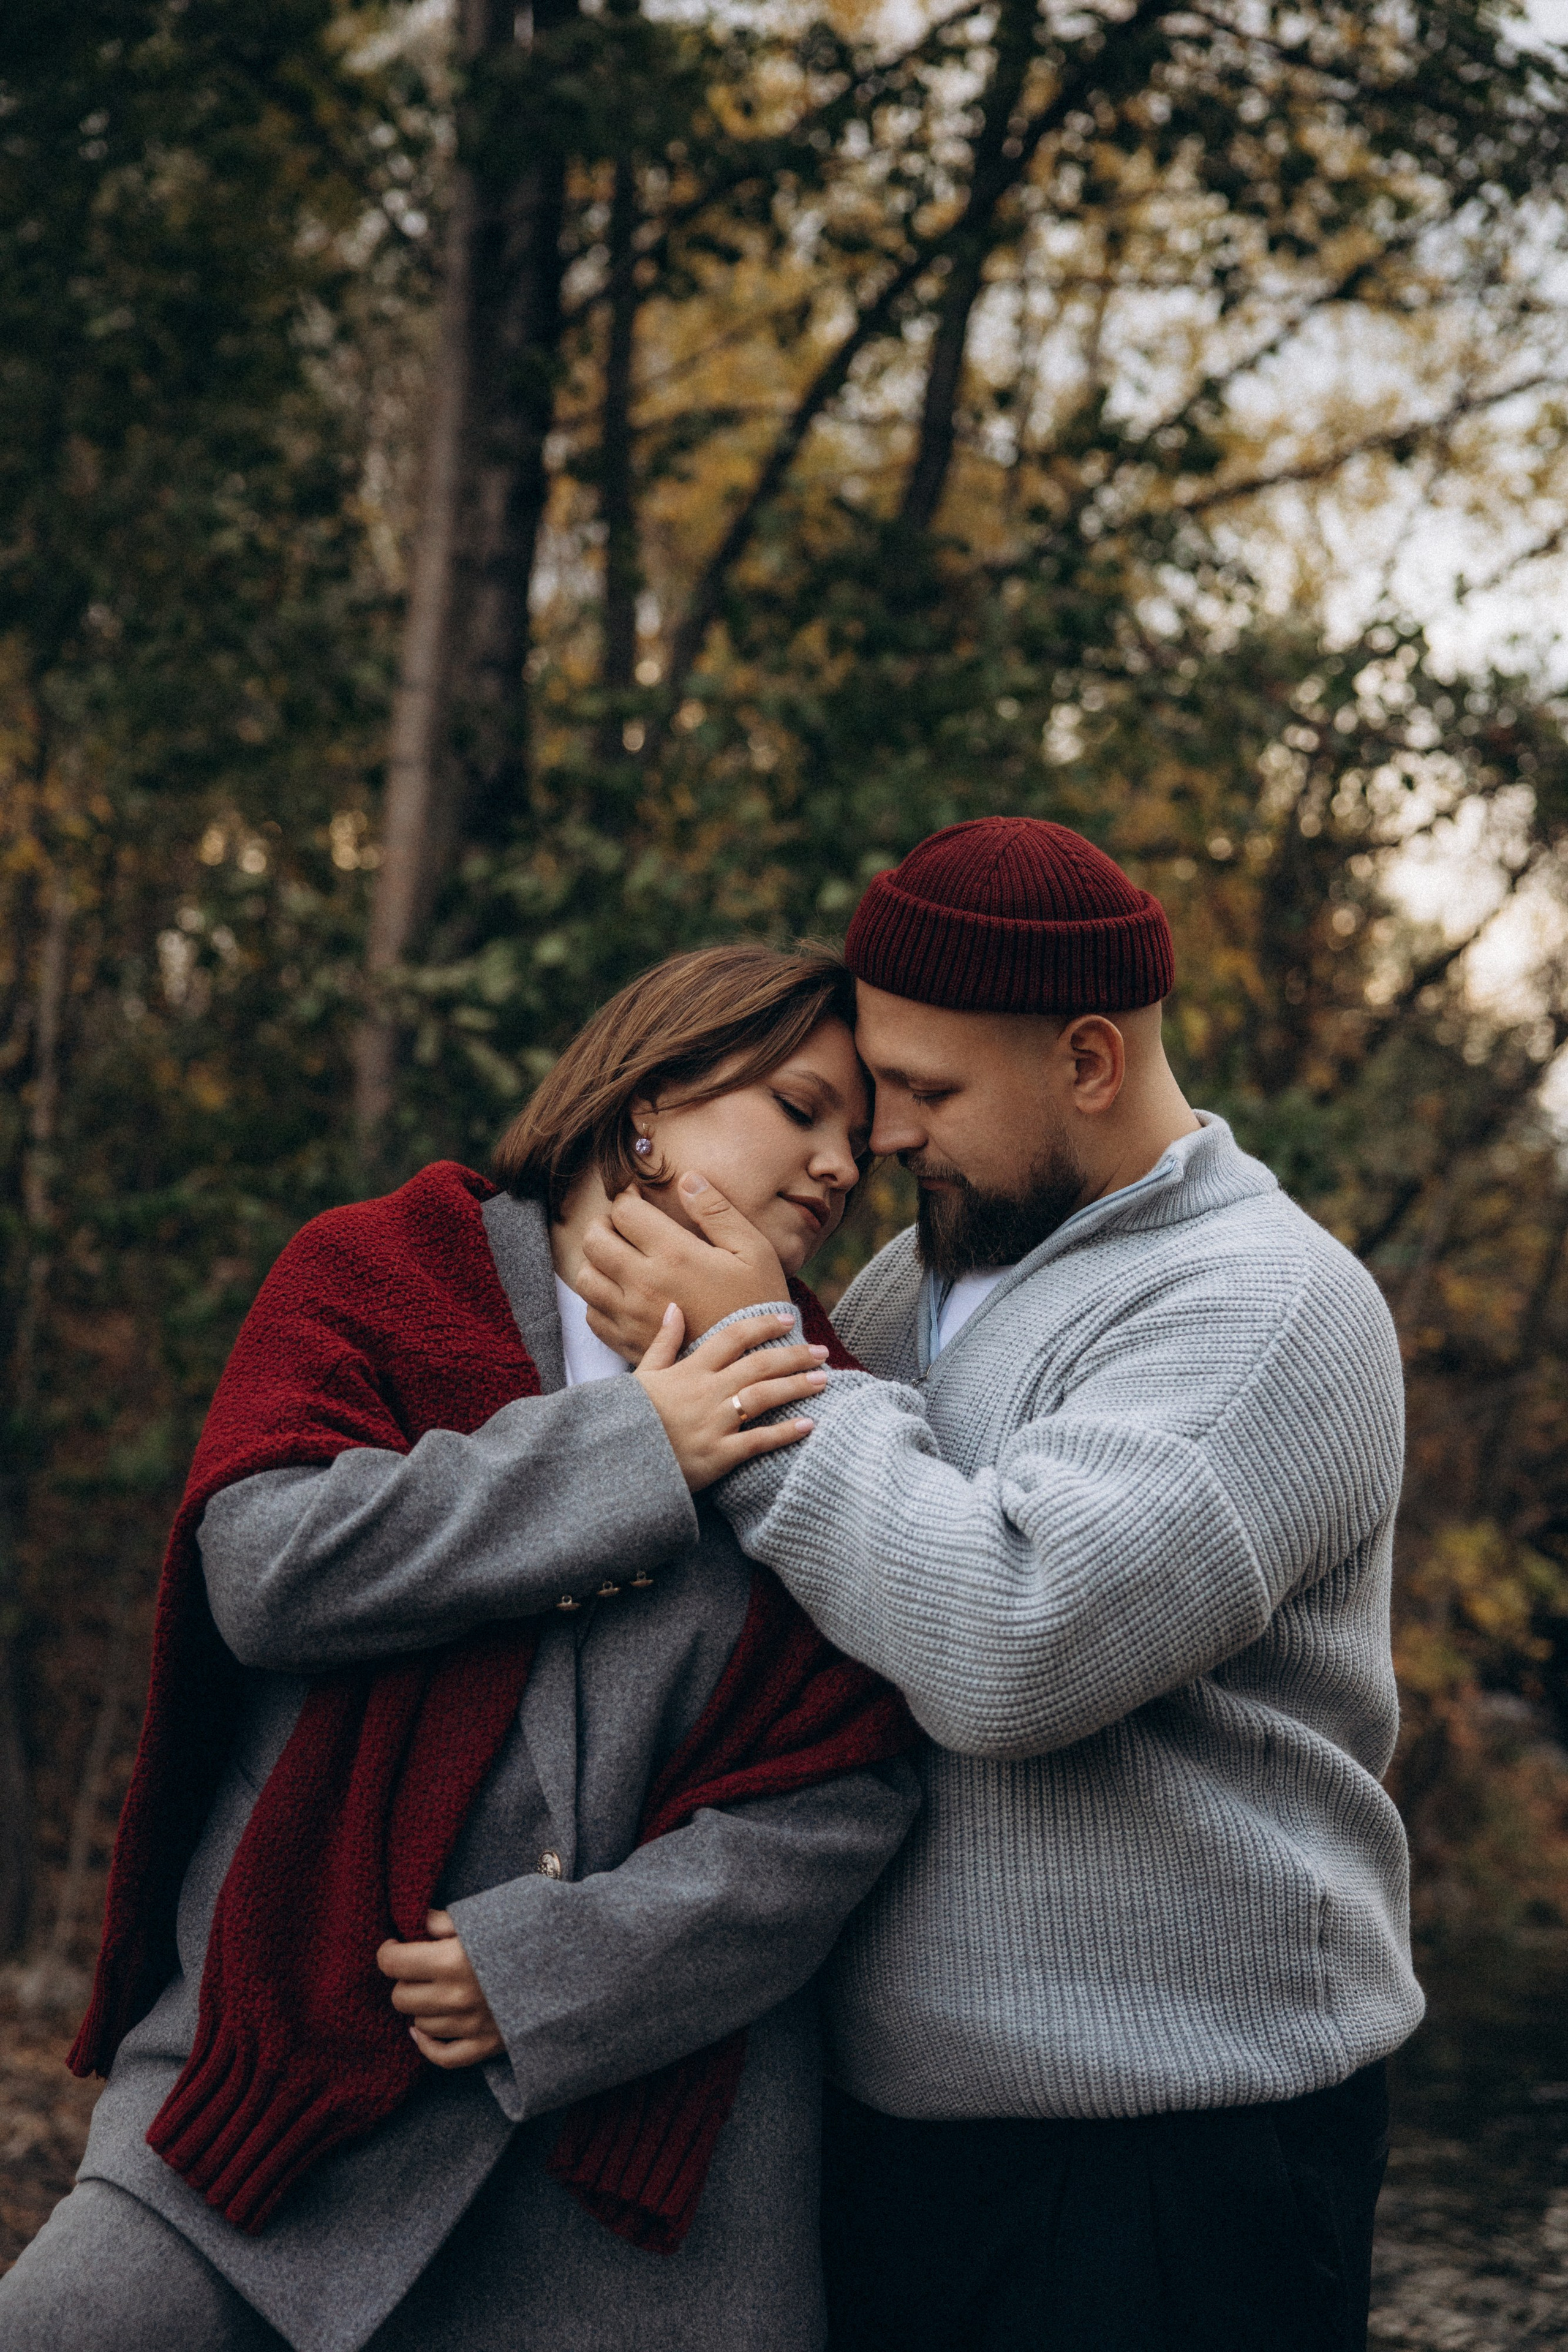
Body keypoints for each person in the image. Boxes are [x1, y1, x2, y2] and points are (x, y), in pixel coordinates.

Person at [575, 817, 1425, 2352]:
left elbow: (1012, 1646)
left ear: (1088, 1061)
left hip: (1165, 2163)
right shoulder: (925, 1274)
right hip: (889, 2134)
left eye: (927, 1089)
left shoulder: (1271, 1307)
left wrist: (753, 1360)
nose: (880, 1134)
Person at [0, 944, 918, 2352]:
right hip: (268, 2096)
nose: (842, 1166)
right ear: (648, 1103)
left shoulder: (829, 1412)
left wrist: (558, 1970)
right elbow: (266, 1568)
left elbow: (841, 1795)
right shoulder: (377, 1270)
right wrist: (630, 1452)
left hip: (618, 2192)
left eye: (860, 1140)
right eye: (802, 1109)